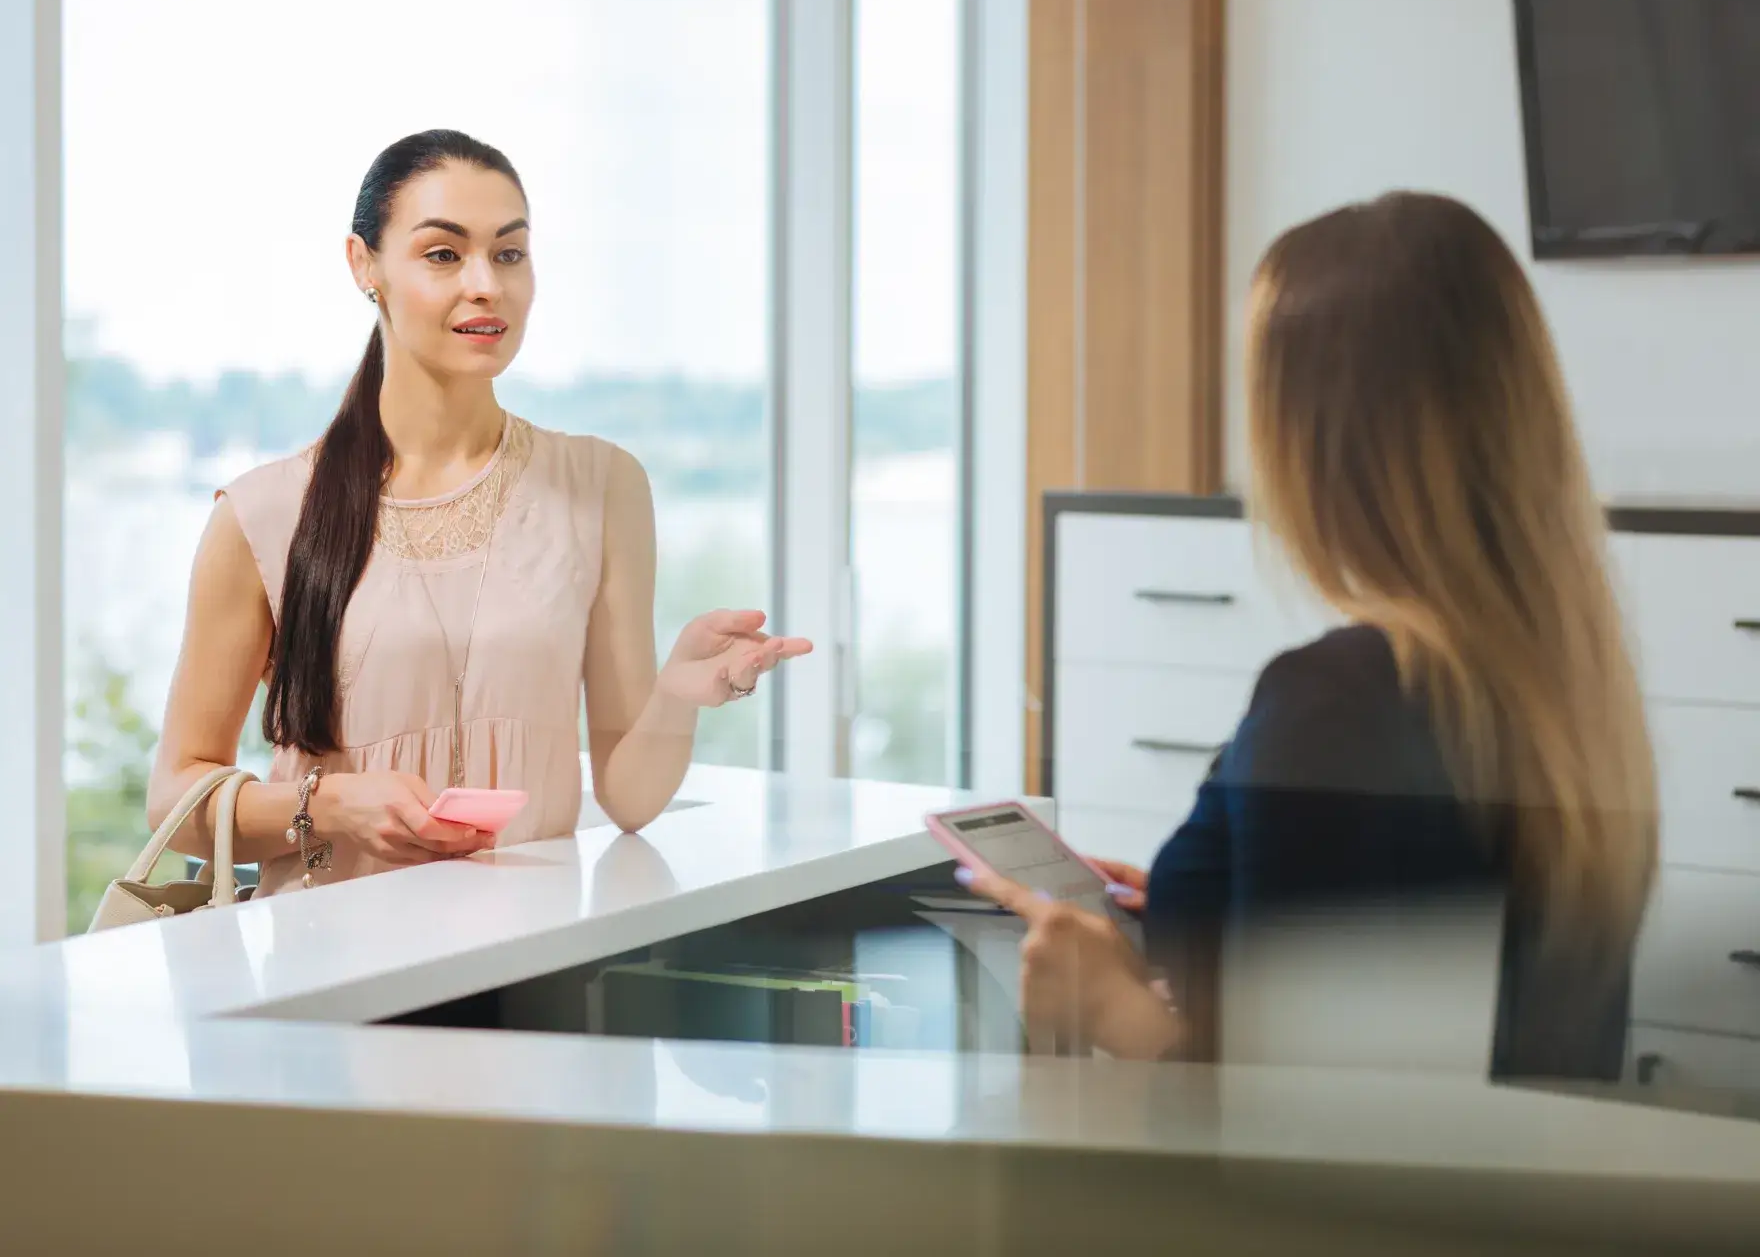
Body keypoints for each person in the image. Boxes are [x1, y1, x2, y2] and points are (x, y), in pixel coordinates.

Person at [966, 192, 1658, 1079]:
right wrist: (1204, 900)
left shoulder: (1344, 696)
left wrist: (1107, 1004)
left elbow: (1299, 1128)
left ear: (1314, 438)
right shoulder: (1559, 682)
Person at [147, 129, 810, 896]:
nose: (485, 285)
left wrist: (676, 697)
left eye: (508, 253)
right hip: (326, 972)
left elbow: (630, 800)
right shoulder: (264, 515)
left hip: (538, 964)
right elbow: (174, 800)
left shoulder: (602, 487)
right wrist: (330, 806)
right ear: (365, 266)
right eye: (442, 254)